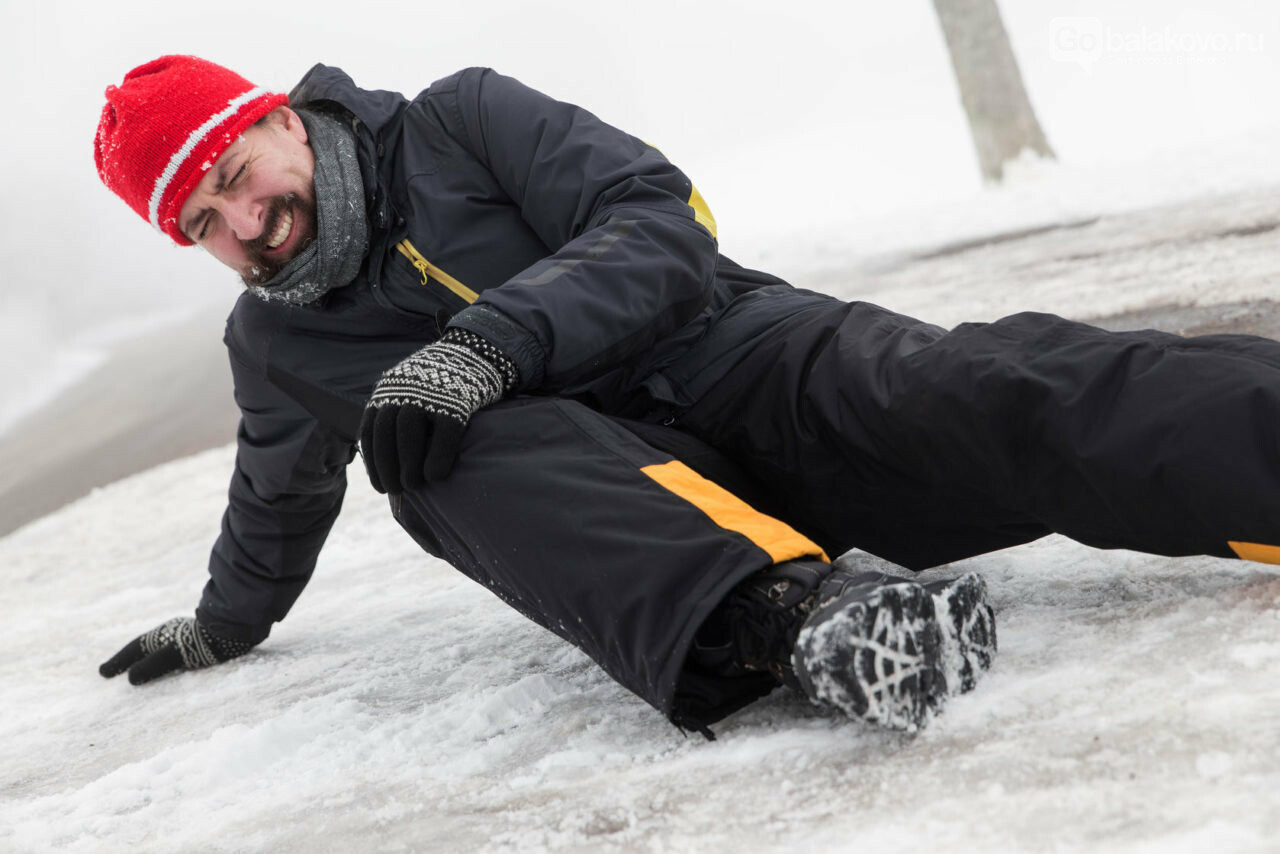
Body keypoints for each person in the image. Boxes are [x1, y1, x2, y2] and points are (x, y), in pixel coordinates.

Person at [93, 55, 1280, 738]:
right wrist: (223, 621)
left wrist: (492, 338)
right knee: (424, 453)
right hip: (643, 529)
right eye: (204, 222)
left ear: (275, 119)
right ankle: (809, 627)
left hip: (752, 361)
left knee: (999, 387)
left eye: (238, 176)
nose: (247, 224)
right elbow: (276, 490)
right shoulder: (275, 344)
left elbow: (660, 221)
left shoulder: (459, 120)